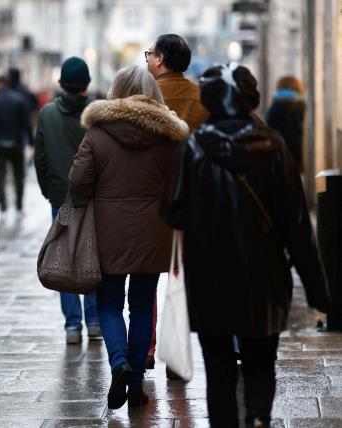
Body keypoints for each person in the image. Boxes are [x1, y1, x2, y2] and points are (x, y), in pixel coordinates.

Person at [164, 63, 330, 428]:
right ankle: (258, 418)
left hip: (209, 278)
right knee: (260, 361)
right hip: (265, 275)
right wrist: (317, 289)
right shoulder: (274, 146)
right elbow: (298, 225)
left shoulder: (192, 147)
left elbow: (173, 212)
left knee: (219, 368)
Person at [69, 65, 189, 409]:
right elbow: (179, 183)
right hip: (153, 231)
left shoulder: (97, 132)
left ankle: (118, 362)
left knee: (108, 301)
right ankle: (135, 382)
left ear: (116, 89)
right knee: (141, 304)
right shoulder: (169, 135)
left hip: (108, 230)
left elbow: (78, 181)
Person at [145, 33, 208, 374]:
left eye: (150, 53)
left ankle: (149, 347)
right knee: (180, 276)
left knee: (146, 279)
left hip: (152, 197)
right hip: (193, 197)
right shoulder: (199, 96)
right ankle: (177, 351)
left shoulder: (147, 96)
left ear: (160, 60)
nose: (147, 58)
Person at [34, 56, 100, 344]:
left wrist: (49, 190)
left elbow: (40, 158)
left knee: (63, 256)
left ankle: (72, 325)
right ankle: (95, 321)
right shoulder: (97, 113)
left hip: (61, 197)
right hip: (94, 197)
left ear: (62, 82)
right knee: (93, 256)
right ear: (86, 84)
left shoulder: (48, 114)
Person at [0, 74, 33, 212]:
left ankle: (3, 204)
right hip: (17, 143)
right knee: (19, 175)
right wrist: (31, 142)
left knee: (1, 176)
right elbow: (26, 124)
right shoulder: (20, 100)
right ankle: (19, 203)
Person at [265, 76, 306, 172]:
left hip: (279, 146)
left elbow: (270, 123)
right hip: (298, 146)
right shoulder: (301, 105)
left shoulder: (275, 105)